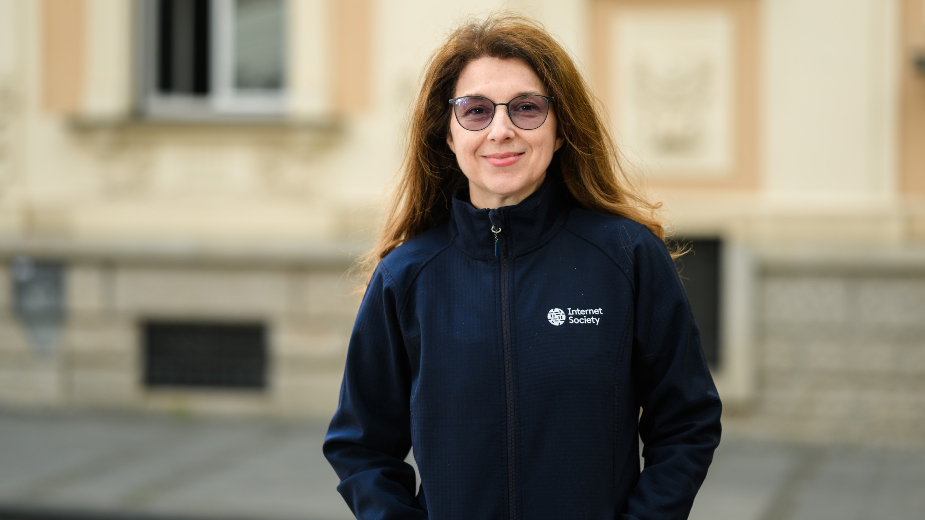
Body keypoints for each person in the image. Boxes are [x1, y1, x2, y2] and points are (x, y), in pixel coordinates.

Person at [323, 13, 722, 520]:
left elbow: (687, 422)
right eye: (475, 111)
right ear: (448, 135)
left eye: (527, 108)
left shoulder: (627, 257)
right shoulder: (405, 278)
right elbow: (361, 447)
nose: (501, 130)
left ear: (561, 130)